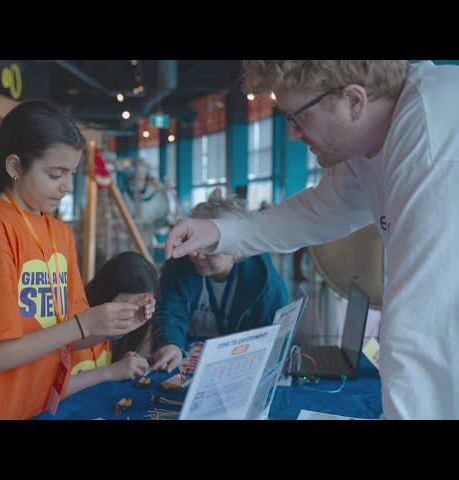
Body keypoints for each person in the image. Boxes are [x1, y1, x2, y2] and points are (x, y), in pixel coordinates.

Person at [164, 60, 459, 420]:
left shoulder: (431, 139)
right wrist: (222, 232)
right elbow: (321, 210)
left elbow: (421, 326)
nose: (292, 134)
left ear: (354, 101)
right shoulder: (372, 137)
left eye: (297, 116)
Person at [0, 99, 155, 420]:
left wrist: (114, 325)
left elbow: (67, 338)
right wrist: (83, 324)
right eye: (56, 174)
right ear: (15, 167)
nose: (67, 187)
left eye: (71, 174)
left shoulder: (58, 232)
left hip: (41, 404)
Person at [152, 188, 288, 372]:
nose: (197, 254)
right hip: (189, 358)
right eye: (194, 243)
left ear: (237, 251)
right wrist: (170, 343)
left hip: (241, 364)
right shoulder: (180, 262)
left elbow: (272, 338)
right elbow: (169, 309)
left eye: (210, 248)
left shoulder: (265, 282)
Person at [69, 251, 158, 388]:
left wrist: (126, 364)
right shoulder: (71, 325)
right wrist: (110, 372)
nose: (130, 316)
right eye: (129, 306)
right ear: (109, 294)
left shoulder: (114, 336)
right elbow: (46, 392)